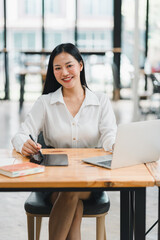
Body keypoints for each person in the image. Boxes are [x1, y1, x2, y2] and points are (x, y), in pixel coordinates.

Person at [12, 43, 117, 240]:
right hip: (53, 180)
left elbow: (110, 135)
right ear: (53, 72)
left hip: (89, 180)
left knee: (72, 190)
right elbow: (20, 134)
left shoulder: (100, 101)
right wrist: (23, 143)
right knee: (71, 197)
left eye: (69, 65)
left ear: (80, 65)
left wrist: (114, 144)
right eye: (57, 68)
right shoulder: (45, 102)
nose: (64, 72)